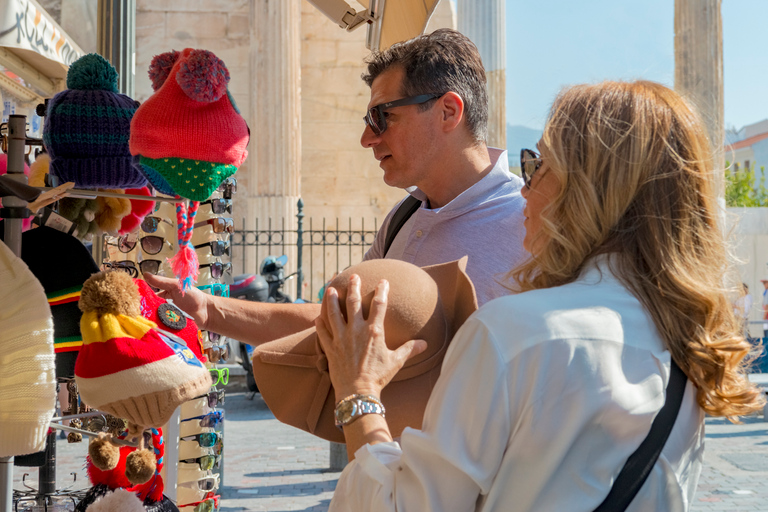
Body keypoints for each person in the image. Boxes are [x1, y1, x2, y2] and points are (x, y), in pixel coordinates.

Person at [315, 80, 765, 512]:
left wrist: (360, 392)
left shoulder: (512, 333)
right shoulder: (692, 340)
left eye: (536, 165)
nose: (524, 187)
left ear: (587, 188)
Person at [145, 29, 526, 343]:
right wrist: (207, 310)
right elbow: (335, 321)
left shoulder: (532, 223)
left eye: (383, 116)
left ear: (448, 111)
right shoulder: (403, 217)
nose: (367, 138)